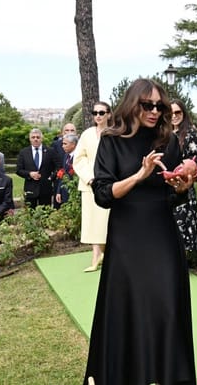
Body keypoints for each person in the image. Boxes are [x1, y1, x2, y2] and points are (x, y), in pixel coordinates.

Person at [84, 78, 196, 385]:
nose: (155, 111)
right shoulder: (111, 140)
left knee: (167, 306)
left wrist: (181, 188)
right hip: (126, 237)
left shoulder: (167, 141)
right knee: (127, 309)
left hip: (162, 234)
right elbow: (103, 195)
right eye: (147, 105)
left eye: (160, 106)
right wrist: (139, 175)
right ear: (132, 104)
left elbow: (171, 196)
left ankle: (168, 377)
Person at [73, 102, 112, 272]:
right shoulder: (86, 134)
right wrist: (90, 178)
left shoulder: (114, 133)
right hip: (90, 184)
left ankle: (106, 254)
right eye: (95, 113)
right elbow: (79, 158)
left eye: (101, 112)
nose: (98, 116)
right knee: (93, 221)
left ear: (109, 114)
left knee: (107, 221)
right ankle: (96, 255)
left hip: (110, 183)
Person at [171, 98, 197, 251]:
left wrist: (182, 170)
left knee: (182, 236)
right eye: (170, 113)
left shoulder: (191, 134)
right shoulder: (163, 133)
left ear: (183, 113)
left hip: (183, 188)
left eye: (177, 112)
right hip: (165, 189)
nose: (174, 116)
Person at [16, 128, 61, 208]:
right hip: (30, 189)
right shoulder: (24, 152)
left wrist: (51, 178)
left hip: (46, 189)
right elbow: (18, 170)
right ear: (30, 139)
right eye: (33, 137)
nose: (35, 139)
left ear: (41, 139)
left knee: (45, 213)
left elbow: (58, 167)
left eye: (38, 137)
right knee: (30, 213)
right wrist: (30, 174)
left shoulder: (50, 151)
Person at [54, 133, 78, 208]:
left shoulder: (79, 157)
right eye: (62, 143)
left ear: (73, 144)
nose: (62, 146)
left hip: (75, 194)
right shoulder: (66, 155)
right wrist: (59, 191)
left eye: (65, 144)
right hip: (65, 193)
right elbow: (63, 174)